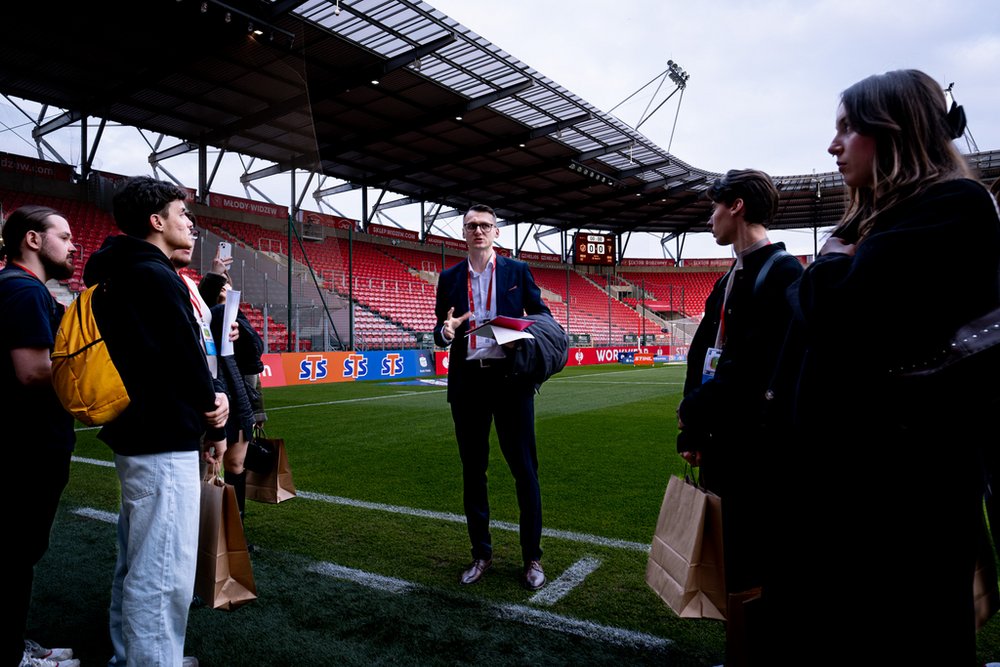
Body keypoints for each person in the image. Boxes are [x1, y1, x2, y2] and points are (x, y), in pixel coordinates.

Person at [764, 70, 1000, 665]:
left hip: (908, 489)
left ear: (893, 131)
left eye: (847, 128)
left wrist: (827, 267)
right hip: (856, 484)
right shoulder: (876, 224)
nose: (833, 144)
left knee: (909, 637)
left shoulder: (957, 203)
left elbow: (841, 313)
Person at [82, 176, 229, 667]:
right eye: (182, 214)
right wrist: (215, 416)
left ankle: (136, 656)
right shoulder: (151, 274)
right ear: (156, 221)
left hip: (145, 437)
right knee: (162, 569)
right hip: (161, 440)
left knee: (139, 561)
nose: (189, 223)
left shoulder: (125, 270)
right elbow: (183, 360)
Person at [675, 169, 802, 663]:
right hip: (722, 438)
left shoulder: (785, 273)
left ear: (737, 207)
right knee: (734, 557)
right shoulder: (731, 277)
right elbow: (704, 355)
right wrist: (693, 426)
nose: (710, 219)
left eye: (714, 208)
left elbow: (758, 371)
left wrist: (695, 408)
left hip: (761, 450)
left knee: (759, 561)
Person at [434, 204, 551, 590]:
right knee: (473, 472)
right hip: (468, 385)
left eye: (485, 225)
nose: (478, 231)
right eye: (471, 226)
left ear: (496, 232)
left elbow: (541, 315)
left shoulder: (517, 272)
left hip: (511, 383)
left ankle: (532, 557)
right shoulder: (449, 277)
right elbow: (441, 329)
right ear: (463, 233)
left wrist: (522, 331)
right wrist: (445, 332)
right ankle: (480, 554)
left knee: (524, 471)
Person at [0, 206, 81, 667]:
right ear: (33, 239)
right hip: (26, 450)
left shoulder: (17, 287)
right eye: (64, 236)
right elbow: (32, 372)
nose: (73, 245)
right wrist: (87, 377)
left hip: (22, 446)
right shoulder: (25, 292)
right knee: (16, 555)